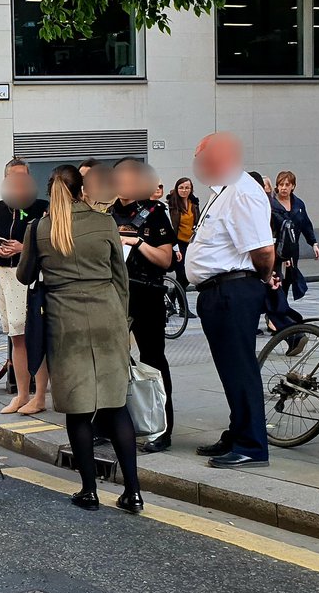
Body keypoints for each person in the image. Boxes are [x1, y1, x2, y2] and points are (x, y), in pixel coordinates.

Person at [17, 164, 143, 513]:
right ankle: (132, 492)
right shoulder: (104, 224)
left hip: (64, 319)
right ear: (81, 189)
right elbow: (121, 277)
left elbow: (25, 274)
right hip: (107, 315)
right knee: (116, 406)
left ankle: (89, 491)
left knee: (78, 410)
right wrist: (122, 318)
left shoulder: (41, 227)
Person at [186, 132, 276, 469]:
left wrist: (261, 281)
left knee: (240, 368)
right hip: (217, 291)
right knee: (230, 369)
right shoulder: (221, 192)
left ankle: (252, 445)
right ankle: (238, 431)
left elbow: (263, 250)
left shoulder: (241, 191)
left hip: (233, 290)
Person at [109, 158, 177, 453]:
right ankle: (112, 425)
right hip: (112, 294)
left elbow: (166, 259)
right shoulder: (107, 214)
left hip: (146, 292)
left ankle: (162, 427)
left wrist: (136, 243)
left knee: (153, 360)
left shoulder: (155, 213)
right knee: (111, 362)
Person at [0, 159, 49, 414]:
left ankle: (40, 395)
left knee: (35, 336)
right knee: (15, 337)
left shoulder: (41, 207)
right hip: (4, 274)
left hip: (30, 276)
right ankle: (22, 394)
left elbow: (49, 242)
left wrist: (24, 248)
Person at [167, 177, 200, 287]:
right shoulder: (171, 205)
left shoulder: (194, 204)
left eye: (187, 188)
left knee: (188, 275)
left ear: (191, 189)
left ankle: (174, 295)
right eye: (181, 188)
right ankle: (182, 303)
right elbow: (170, 225)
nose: (184, 190)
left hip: (191, 243)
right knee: (181, 274)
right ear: (177, 189)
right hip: (178, 243)